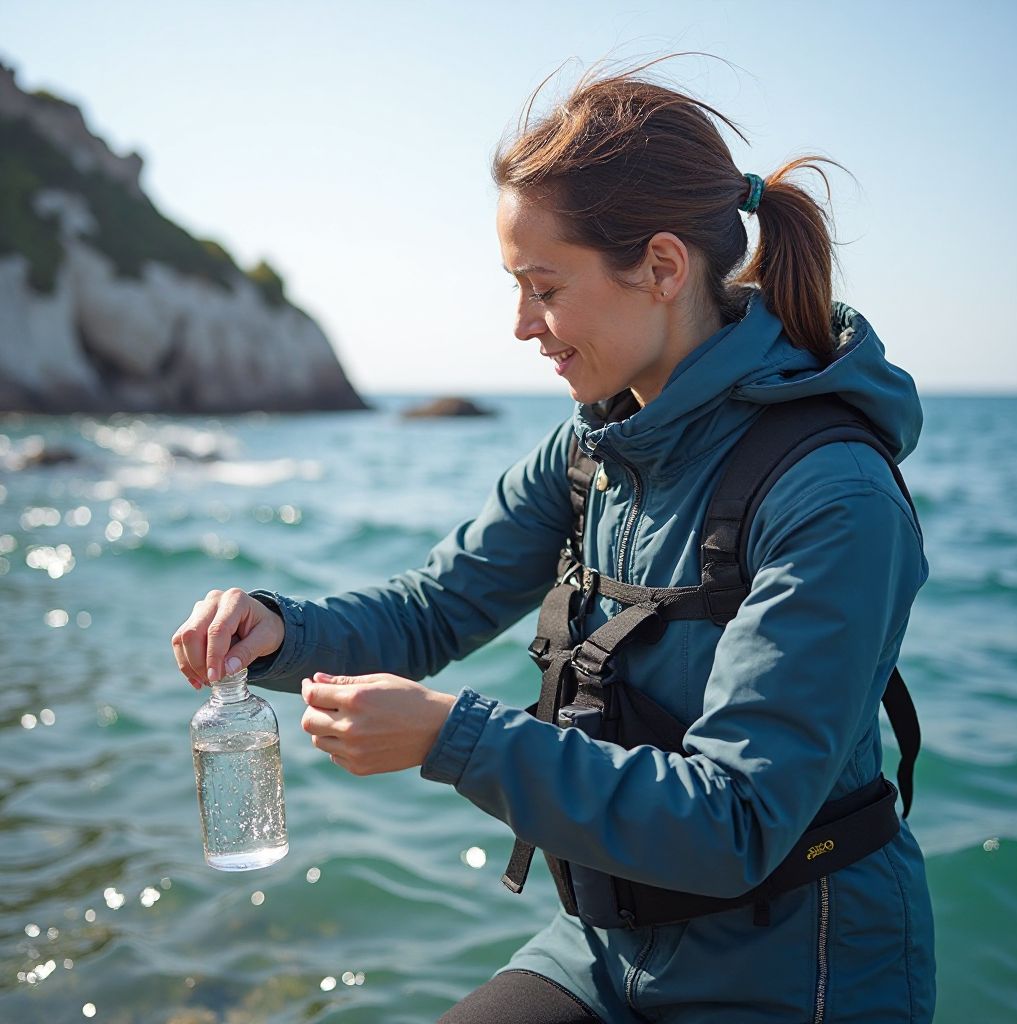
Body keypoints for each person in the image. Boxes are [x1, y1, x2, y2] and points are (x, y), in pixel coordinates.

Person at [171, 62, 936, 1023]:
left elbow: (738, 821)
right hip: (604, 946)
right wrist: (277, 630)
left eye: (545, 286)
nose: (522, 326)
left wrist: (453, 737)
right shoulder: (594, 446)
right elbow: (436, 607)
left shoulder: (835, 496)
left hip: (796, 971)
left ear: (662, 268)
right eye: (515, 287)